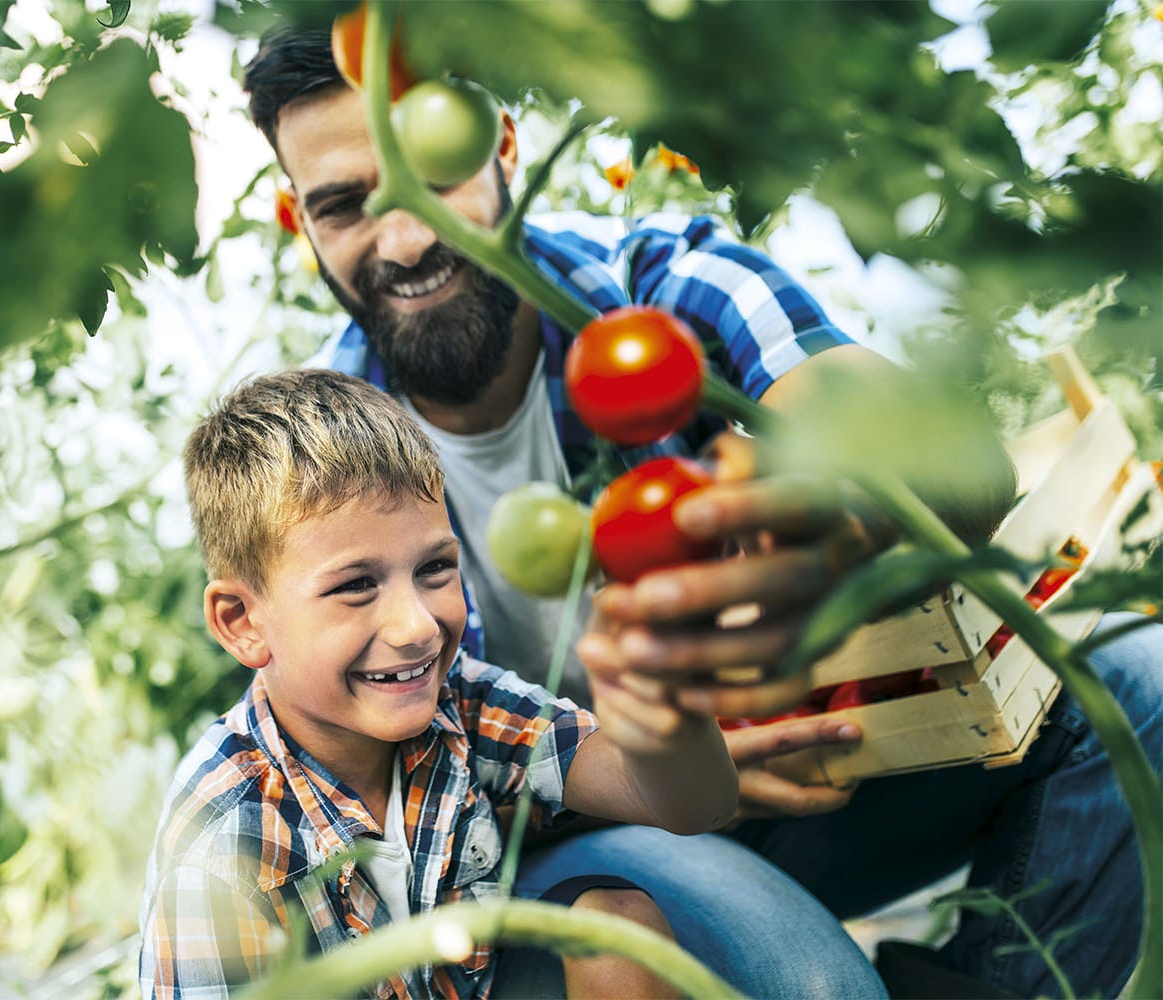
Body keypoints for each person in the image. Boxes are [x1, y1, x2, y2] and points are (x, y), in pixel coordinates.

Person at [240, 24, 1163, 1000]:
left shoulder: (658, 290)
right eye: (346, 206)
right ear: (301, 223)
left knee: (1141, 682)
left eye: (434, 175)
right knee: (816, 988)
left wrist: (826, 519)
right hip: (599, 840)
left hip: (830, 770)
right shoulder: (325, 461)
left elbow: (958, 470)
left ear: (502, 144)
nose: (409, 236)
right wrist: (664, 775)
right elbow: (377, 810)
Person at [139, 368, 740, 999]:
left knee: (617, 930)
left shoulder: (462, 702)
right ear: (242, 623)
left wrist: (666, 699)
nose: (418, 626)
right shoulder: (223, 845)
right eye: (355, 586)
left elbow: (696, 805)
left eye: (434, 568)